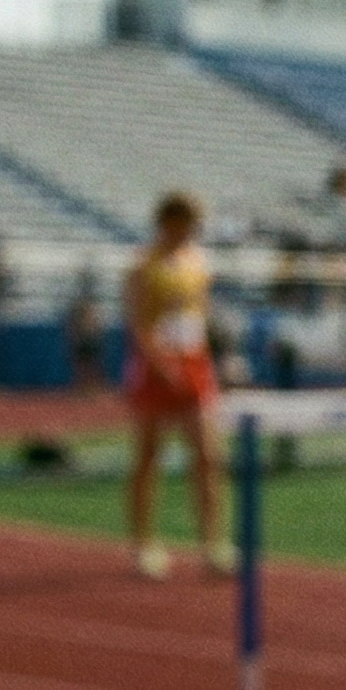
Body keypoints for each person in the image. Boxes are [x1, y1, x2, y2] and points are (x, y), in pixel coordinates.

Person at [121, 191, 226, 580]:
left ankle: (212, 544)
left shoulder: (198, 262)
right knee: (149, 456)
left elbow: (201, 313)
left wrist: (209, 359)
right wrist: (158, 362)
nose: (191, 232)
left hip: (194, 360)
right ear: (169, 222)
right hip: (155, 364)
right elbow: (137, 321)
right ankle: (143, 544)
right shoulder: (144, 265)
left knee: (208, 455)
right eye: (187, 224)